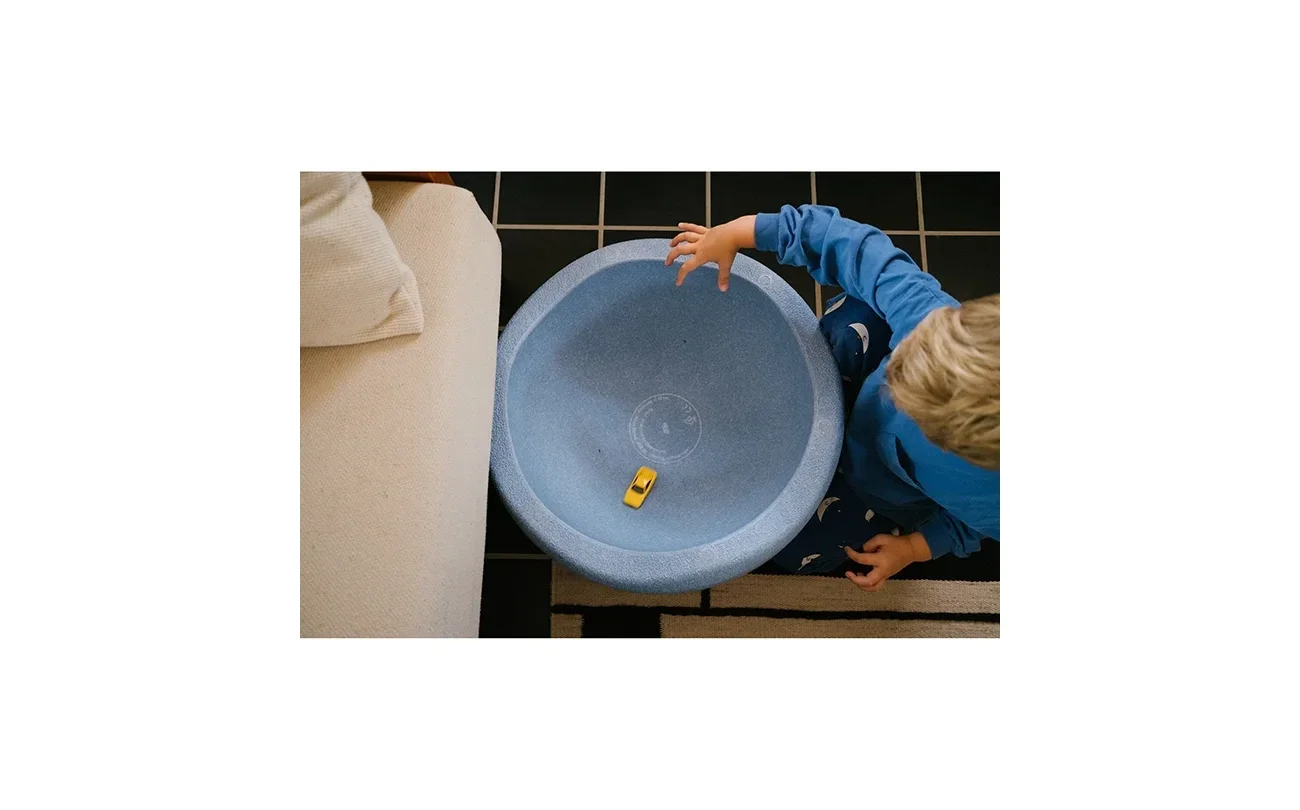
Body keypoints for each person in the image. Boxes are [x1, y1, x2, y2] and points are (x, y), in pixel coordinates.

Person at [666, 205, 999, 592]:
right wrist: (738, 232)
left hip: (878, 488)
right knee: (860, 316)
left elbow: (972, 525)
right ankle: (828, 371)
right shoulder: (930, 320)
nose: (894, 389)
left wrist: (914, 548)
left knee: (800, 552)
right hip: (861, 376)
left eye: (909, 400)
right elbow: (848, 243)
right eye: (903, 363)